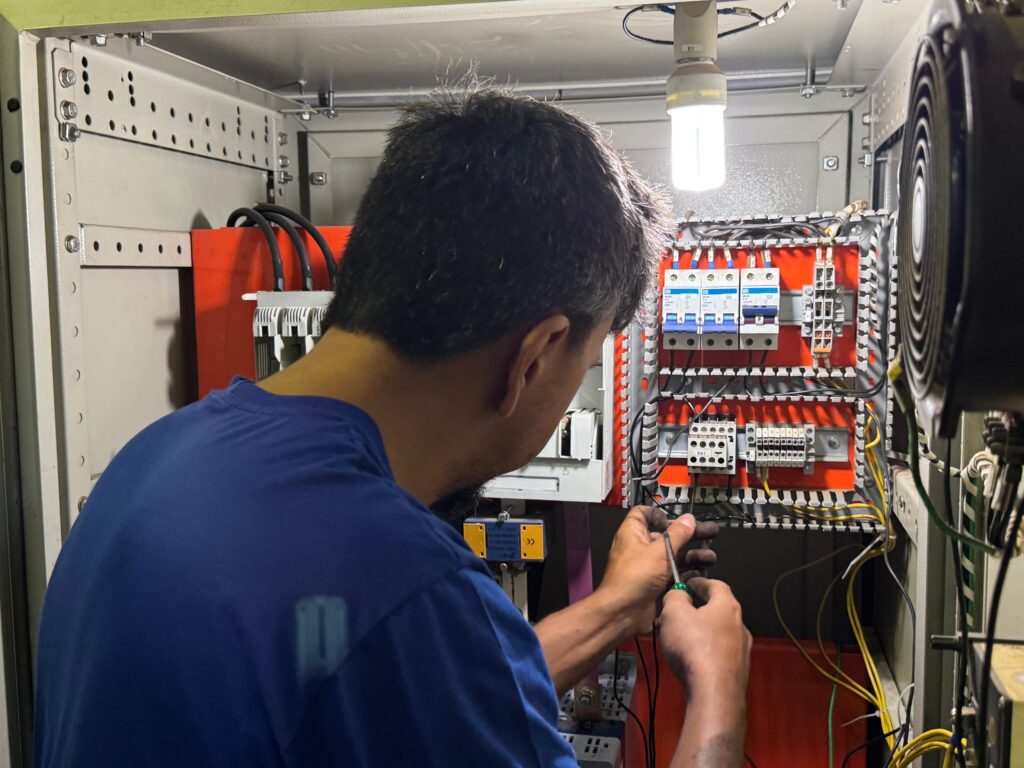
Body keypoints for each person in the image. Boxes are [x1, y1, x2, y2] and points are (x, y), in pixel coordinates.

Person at [35, 86, 750, 767]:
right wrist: (719, 682)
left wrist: (619, 608)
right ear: (533, 358)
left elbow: (356, 678)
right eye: (587, 362)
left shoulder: (159, 457)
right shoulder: (403, 583)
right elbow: (402, 639)